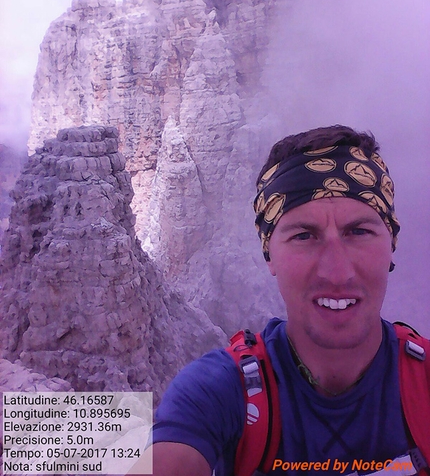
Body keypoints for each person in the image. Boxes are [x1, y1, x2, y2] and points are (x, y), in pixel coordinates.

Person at [131, 125, 429, 476]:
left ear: (390, 243)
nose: (337, 272)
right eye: (304, 236)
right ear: (269, 256)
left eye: (359, 232)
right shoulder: (218, 391)